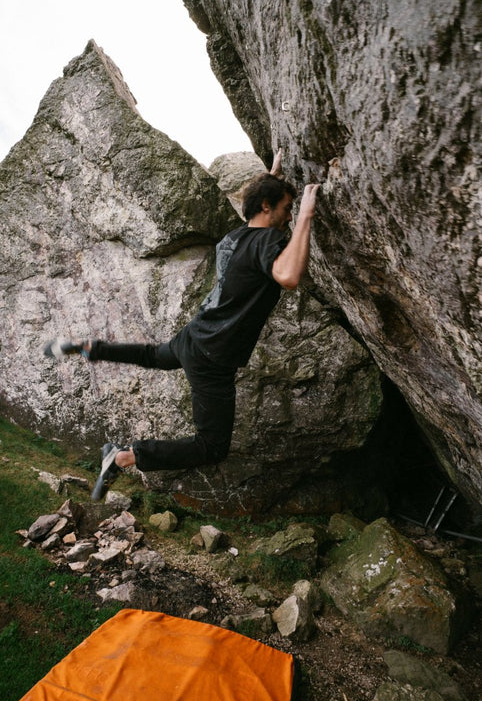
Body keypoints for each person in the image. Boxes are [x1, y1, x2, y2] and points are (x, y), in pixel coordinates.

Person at [44, 151, 319, 500]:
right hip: (213, 356)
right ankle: (124, 456)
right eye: (286, 209)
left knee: (153, 356)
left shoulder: (233, 238)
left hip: (194, 335)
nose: (289, 217)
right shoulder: (268, 241)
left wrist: (273, 177)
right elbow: (288, 275)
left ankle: (89, 348)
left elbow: (259, 220)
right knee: (211, 446)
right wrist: (307, 214)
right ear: (266, 206)